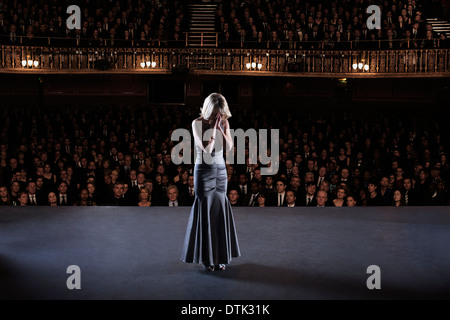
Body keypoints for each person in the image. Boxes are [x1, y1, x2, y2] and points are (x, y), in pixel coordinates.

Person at [181, 93, 240, 272]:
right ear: (209, 109)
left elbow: (229, 147)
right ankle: (207, 259)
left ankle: (221, 258)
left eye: (220, 113)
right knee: (206, 210)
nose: (218, 116)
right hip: (204, 170)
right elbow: (207, 149)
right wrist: (214, 129)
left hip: (221, 171)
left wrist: (221, 128)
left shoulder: (224, 122)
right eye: (215, 113)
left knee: (219, 211)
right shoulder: (196, 123)